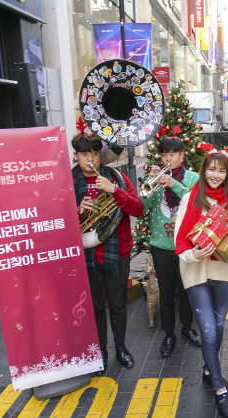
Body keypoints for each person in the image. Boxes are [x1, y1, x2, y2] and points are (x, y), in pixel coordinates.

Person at [174, 152, 228, 418]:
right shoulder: (191, 198)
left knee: (219, 326)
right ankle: (220, 388)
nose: (215, 175)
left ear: (227, 175)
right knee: (209, 333)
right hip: (196, 271)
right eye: (211, 170)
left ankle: (208, 369)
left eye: (221, 171)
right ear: (203, 171)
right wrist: (193, 255)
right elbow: (179, 240)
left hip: (223, 270)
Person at [73, 134, 144, 373]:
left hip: (117, 254)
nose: (90, 158)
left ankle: (121, 348)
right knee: (95, 308)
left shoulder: (118, 178)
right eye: (84, 154)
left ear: (99, 155)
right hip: (87, 257)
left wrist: (114, 190)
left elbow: (138, 209)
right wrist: (77, 210)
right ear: (77, 156)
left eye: (94, 153)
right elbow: (58, 223)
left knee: (118, 306)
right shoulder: (68, 184)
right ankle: (100, 352)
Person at [141, 137, 201, 358]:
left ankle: (186, 328)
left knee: (187, 291)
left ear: (181, 156)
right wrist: (150, 182)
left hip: (187, 245)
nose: (168, 158)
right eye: (164, 154)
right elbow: (142, 206)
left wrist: (173, 183)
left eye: (173, 154)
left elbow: (196, 202)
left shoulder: (193, 178)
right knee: (166, 294)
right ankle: (168, 334)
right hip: (161, 246)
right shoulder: (154, 179)